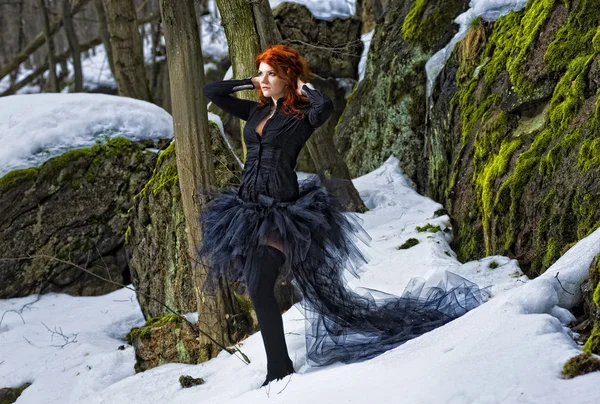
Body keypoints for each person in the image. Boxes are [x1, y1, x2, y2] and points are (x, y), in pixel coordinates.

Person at [199, 45, 487, 387]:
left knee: (261, 286)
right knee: (257, 288)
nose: (263, 79)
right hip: (245, 210)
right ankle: (279, 367)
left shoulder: (300, 117)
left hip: (282, 213)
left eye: (271, 73)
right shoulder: (256, 112)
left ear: (289, 77)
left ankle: (279, 370)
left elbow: (325, 107)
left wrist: (302, 86)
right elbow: (211, 91)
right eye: (260, 72)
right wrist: (254, 79)